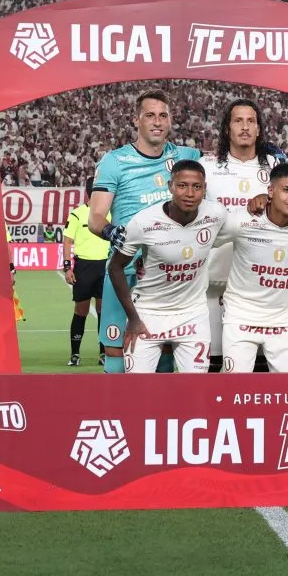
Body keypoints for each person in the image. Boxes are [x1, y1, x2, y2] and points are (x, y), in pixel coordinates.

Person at [87, 90, 202, 374]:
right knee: (116, 348)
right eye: (150, 115)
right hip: (125, 271)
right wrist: (111, 231)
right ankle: (116, 402)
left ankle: (159, 403)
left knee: (163, 349)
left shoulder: (187, 156)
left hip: (168, 275)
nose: (157, 122)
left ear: (170, 120)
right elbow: (95, 217)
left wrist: (268, 153)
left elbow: (229, 159)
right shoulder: (115, 161)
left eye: (163, 116)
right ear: (136, 120)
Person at [107, 160, 228, 373]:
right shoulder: (144, 222)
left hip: (193, 314)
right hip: (147, 314)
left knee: (197, 388)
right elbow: (115, 267)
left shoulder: (216, 214)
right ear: (170, 186)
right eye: (182, 186)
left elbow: (247, 228)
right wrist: (133, 318)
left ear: (204, 189)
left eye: (196, 187)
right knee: (137, 388)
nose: (189, 193)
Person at [214, 162, 288, 373]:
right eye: (287, 190)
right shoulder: (242, 220)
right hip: (241, 317)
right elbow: (201, 241)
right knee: (234, 387)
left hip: (286, 321)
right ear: (271, 191)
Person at [200, 99, 281, 373]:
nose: (245, 127)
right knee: (212, 368)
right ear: (227, 128)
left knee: (259, 371)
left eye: (251, 121)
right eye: (238, 121)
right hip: (213, 283)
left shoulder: (276, 169)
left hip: (262, 288)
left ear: (259, 129)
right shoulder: (207, 167)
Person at [62, 177, 109, 367]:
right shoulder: (77, 214)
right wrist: (67, 267)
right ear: (91, 194)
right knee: (80, 312)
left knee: (103, 312)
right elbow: (67, 241)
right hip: (83, 268)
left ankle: (103, 353)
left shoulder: (110, 213)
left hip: (105, 267)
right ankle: (75, 354)